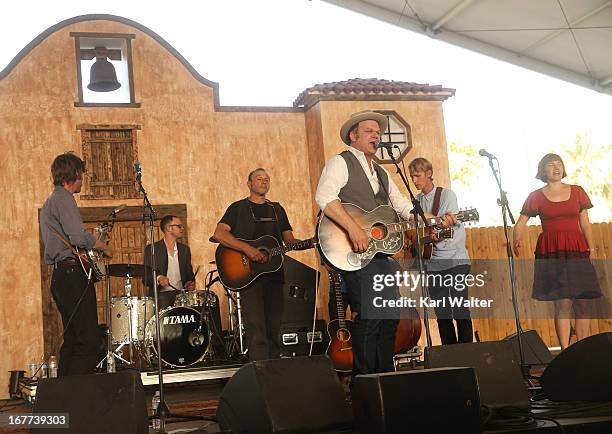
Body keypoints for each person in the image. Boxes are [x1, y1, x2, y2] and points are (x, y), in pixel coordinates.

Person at [315, 110, 456, 377]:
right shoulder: (341, 162)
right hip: (352, 250)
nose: (376, 135)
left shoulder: (380, 171)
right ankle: (365, 381)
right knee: (370, 316)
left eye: (377, 132)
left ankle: (386, 378)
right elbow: (324, 196)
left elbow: (403, 205)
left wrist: (433, 221)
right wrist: (354, 228)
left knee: (390, 316)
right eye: (369, 131)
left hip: (379, 253)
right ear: (353, 137)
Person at [212, 168, 305, 361]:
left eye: (267, 179)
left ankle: (274, 375)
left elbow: (289, 240)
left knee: (274, 329)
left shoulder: (277, 209)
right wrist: (248, 249)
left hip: (275, 275)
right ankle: (258, 375)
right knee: (256, 331)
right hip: (249, 278)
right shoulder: (237, 208)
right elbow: (220, 234)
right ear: (249, 184)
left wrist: (310, 242)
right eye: (259, 179)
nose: (264, 182)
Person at [513, 153, 601, 350]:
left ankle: (583, 348)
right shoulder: (536, 196)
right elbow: (521, 222)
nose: (556, 167)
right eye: (550, 165)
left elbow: (585, 224)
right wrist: (516, 238)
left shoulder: (578, 192)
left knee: (583, 302)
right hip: (551, 252)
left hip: (577, 249)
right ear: (542, 171)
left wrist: (592, 248)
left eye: (559, 164)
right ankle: (565, 351)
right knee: (563, 303)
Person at [40, 152, 113, 375]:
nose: (83, 179)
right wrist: (102, 245)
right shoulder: (64, 198)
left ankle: (62, 394)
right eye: (81, 174)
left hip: (62, 276)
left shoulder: (51, 201)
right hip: (72, 275)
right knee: (89, 341)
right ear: (75, 174)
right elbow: (77, 237)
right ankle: (77, 396)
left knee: (73, 340)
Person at [408, 157, 473, 345]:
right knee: (442, 313)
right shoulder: (416, 202)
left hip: (456, 260)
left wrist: (436, 231)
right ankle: (450, 355)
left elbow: (447, 229)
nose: (414, 180)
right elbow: (414, 229)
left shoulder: (446, 196)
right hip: (432, 262)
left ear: (429, 174)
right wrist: (412, 239)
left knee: (460, 308)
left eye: (417, 175)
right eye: (411, 176)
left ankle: (467, 352)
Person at [144, 215, 195, 309]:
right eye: (179, 226)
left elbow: (189, 274)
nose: (182, 228)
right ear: (168, 228)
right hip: (160, 298)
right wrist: (159, 278)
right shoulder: (152, 249)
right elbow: (146, 278)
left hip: (182, 297)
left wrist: (190, 283)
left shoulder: (185, 250)